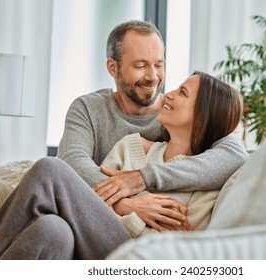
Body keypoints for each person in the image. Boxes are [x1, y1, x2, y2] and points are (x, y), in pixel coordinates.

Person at [0, 71, 243, 259]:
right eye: (140, 65)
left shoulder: (207, 180)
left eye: (182, 92)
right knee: (52, 231)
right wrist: (127, 204)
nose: (168, 93)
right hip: (90, 247)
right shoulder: (130, 146)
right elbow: (88, 205)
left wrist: (128, 210)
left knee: (49, 169)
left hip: (133, 259)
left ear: (203, 117)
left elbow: (175, 249)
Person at [56, 20, 249, 219]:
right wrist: (126, 203)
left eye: (159, 65)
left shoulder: (180, 117)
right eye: (140, 65)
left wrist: (141, 178)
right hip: (93, 216)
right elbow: (71, 162)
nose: (153, 76)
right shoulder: (88, 109)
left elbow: (235, 156)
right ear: (113, 68)